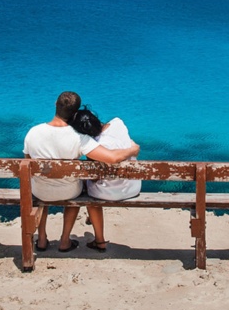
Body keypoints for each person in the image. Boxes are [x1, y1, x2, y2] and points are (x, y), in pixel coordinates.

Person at [23, 91, 140, 253]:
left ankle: (41, 239)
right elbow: (112, 158)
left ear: (55, 105)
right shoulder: (79, 138)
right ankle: (64, 241)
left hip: (41, 191)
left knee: (41, 189)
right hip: (69, 192)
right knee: (79, 190)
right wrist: (133, 149)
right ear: (75, 112)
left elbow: (28, 162)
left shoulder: (33, 132)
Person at [70, 107, 141, 252]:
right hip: (133, 187)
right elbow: (126, 142)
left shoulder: (95, 147)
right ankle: (92, 221)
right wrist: (133, 149)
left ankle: (100, 241)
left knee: (88, 193)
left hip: (109, 193)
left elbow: (95, 178)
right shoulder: (118, 123)